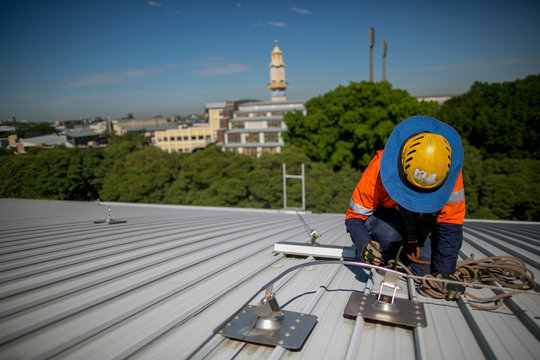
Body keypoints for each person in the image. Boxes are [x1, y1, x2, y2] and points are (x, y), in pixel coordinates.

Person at [345, 116, 466, 300]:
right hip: (389, 220)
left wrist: (446, 270)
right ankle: (387, 256)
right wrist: (364, 243)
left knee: (425, 271)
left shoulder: (446, 174)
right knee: (386, 234)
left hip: (424, 224)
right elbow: (354, 217)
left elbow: (451, 224)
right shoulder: (379, 167)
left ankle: (408, 257)